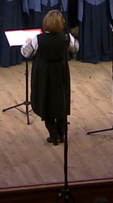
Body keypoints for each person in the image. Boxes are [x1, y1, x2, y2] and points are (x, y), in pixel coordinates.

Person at [21, 9, 78, 145]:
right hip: (61, 73)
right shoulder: (66, 37)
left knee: (46, 102)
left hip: (44, 74)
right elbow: (75, 48)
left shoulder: (38, 39)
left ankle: (53, 135)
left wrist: (27, 42)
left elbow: (26, 53)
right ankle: (61, 133)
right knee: (60, 101)